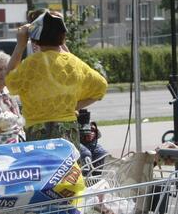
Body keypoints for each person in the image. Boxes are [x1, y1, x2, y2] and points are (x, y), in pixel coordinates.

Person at [6, 10, 107, 150]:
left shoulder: (32, 64)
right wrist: (74, 106)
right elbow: (101, 86)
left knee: (45, 171)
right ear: (64, 37)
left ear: (35, 39)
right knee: (69, 170)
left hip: (38, 132)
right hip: (68, 131)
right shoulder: (74, 63)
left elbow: (10, 81)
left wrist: (20, 45)